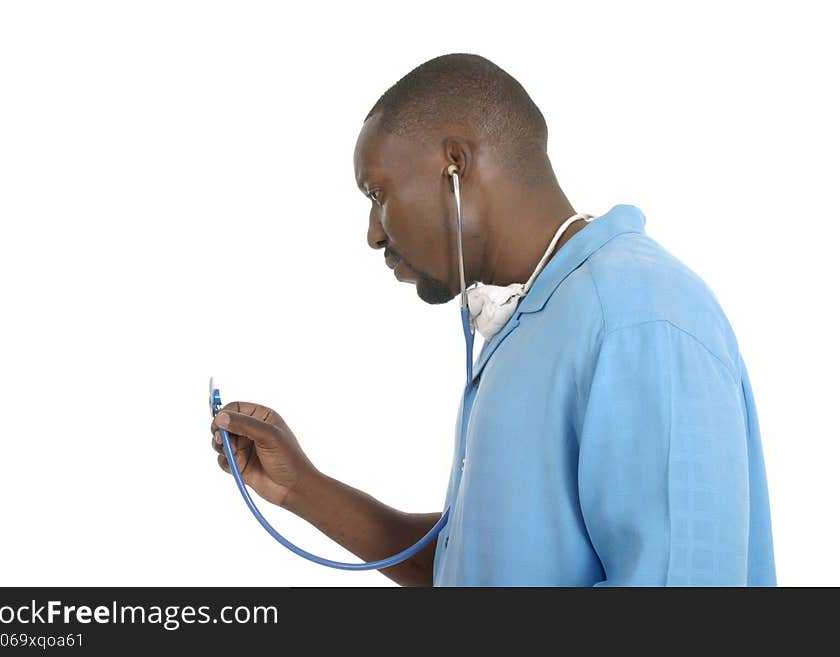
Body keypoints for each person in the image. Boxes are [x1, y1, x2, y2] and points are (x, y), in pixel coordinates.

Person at [210, 53, 776, 586]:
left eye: (378, 192)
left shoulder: (637, 316)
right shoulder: (532, 321)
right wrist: (302, 489)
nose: (373, 232)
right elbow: (471, 565)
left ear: (454, 165)